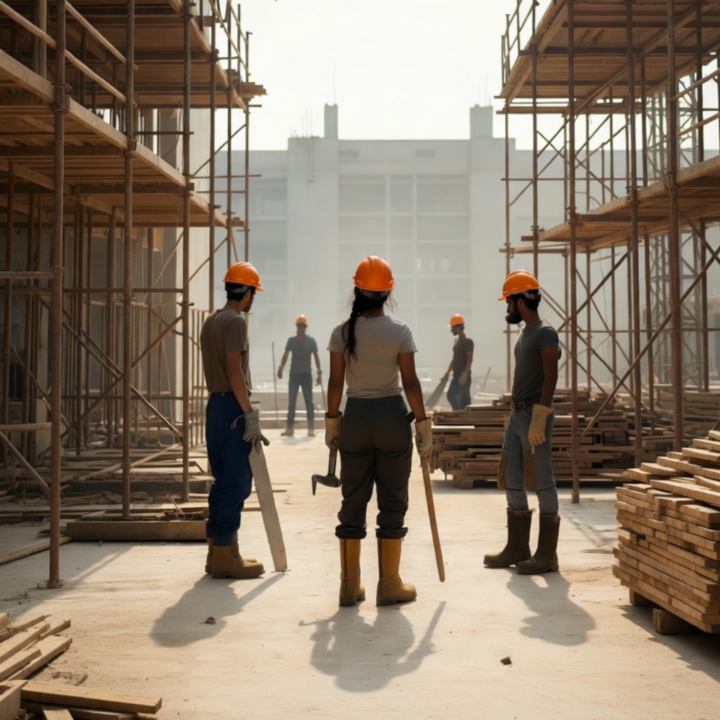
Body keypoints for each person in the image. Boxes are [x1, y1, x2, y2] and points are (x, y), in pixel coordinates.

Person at [325, 256, 431, 607]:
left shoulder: (341, 332)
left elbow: (335, 382)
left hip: (354, 418)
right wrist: (422, 423)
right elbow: (410, 382)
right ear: (389, 293)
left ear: (357, 289)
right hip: (391, 418)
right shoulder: (400, 332)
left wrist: (331, 422)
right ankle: (389, 584)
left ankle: (348, 585)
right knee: (392, 500)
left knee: (352, 501)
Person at [484, 270, 561, 574]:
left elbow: (551, 374)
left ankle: (546, 555)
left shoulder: (545, 332)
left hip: (533, 415)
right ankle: (518, 548)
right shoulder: (524, 333)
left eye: (509, 302)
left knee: (542, 481)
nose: (507, 308)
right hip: (517, 416)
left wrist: (541, 414)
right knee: (511, 479)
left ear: (519, 300)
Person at [200, 262, 266, 580]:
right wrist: (249, 414)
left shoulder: (211, 321)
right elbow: (234, 371)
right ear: (248, 292)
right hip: (231, 408)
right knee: (237, 483)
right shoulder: (235, 322)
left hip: (214, 405)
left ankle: (216, 551)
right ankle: (226, 554)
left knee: (222, 479)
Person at [277, 315, 322, 437]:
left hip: (306, 375)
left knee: (309, 402)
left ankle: (311, 428)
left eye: (303, 326)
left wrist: (319, 373)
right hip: (294, 375)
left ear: (305, 327)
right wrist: (281, 368)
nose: (301, 328)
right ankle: (289, 428)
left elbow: (316, 356)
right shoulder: (291, 341)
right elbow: (285, 354)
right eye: (299, 326)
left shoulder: (311, 341)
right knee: (292, 402)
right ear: (297, 327)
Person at [443, 314, 474, 410]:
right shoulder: (457, 341)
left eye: (452, 328)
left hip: (463, 375)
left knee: (464, 399)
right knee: (451, 395)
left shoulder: (467, 341)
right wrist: (447, 373)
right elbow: (454, 360)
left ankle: (466, 417)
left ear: (458, 327)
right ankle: (458, 414)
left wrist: (465, 374)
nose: (451, 330)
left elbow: (469, 358)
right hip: (456, 375)